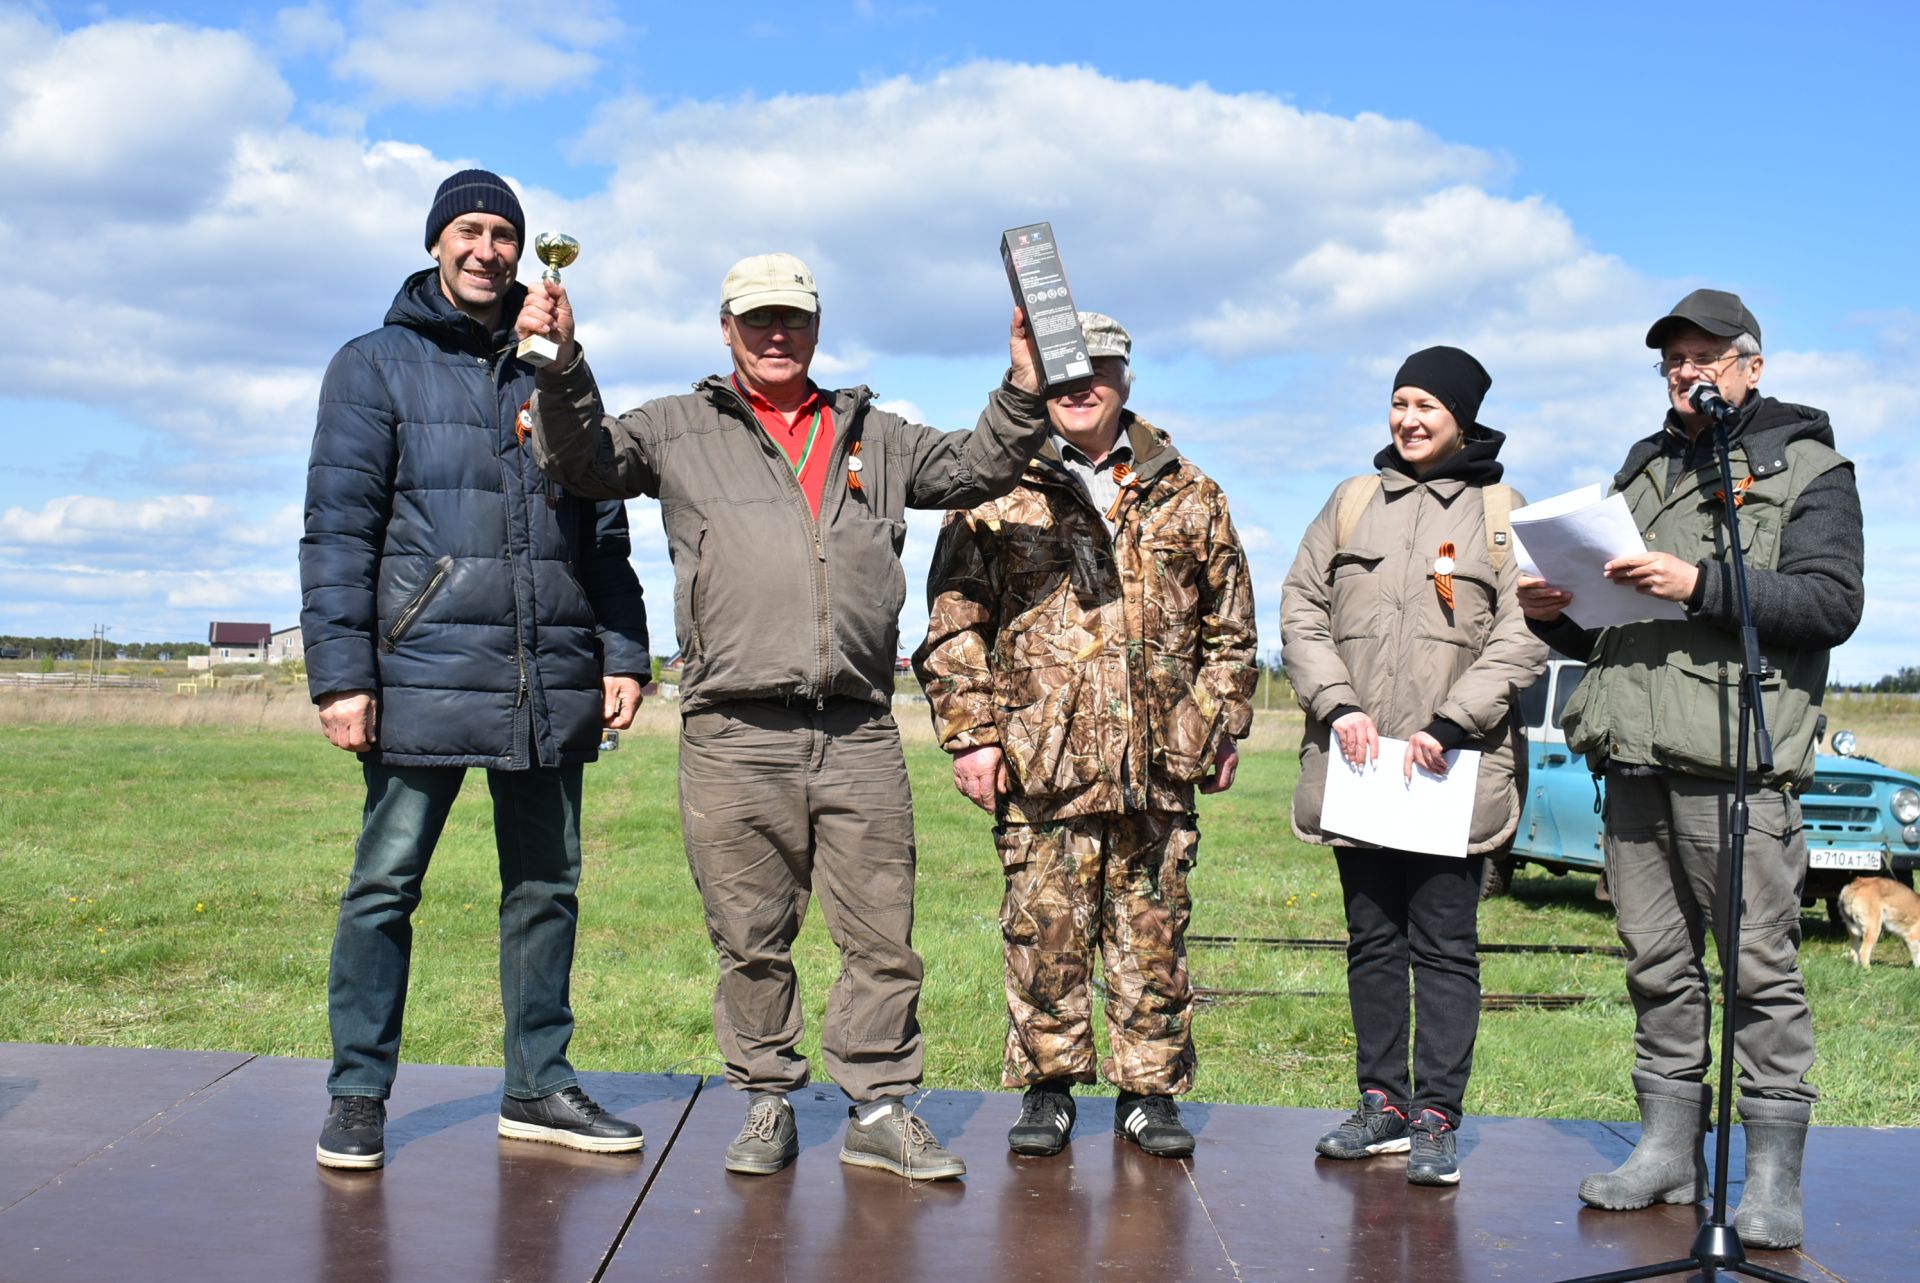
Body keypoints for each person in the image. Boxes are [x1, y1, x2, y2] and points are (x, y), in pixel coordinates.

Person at [519, 252, 1048, 1181]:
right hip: (732, 732)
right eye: (757, 319)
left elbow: (978, 466)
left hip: (856, 730)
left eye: (792, 320)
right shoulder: (680, 427)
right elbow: (582, 459)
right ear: (726, 329)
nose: (776, 335)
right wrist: (562, 365)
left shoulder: (874, 436)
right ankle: (767, 1099)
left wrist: (1023, 385)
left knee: (883, 934)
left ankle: (880, 1107)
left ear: (816, 327)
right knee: (750, 937)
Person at [299, 169, 651, 1170]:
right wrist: (340, 674)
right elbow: (338, 528)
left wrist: (622, 649)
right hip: (419, 670)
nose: (489, 248)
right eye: (471, 229)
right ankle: (358, 1091)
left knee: (546, 886)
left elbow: (605, 523)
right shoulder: (371, 364)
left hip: (546, 675)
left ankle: (539, 1085)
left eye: (504, 233)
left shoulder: (556, 370)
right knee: (384, 884)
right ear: (437, 243)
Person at [1519, 290, 1864, 1248]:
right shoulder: (1644, 469)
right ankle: (1668, 1149)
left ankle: (1771, 1181)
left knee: (1759, 969)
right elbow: (1608, 621)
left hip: (1737, 768)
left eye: (1706, 356)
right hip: (1632, 758)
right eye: (1673, 361)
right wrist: (1555, 609)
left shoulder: (1811, 469)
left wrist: (1702, 583)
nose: (1686, 373)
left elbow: (1831, 604)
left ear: (1753, 366)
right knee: (1656, 964)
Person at [915, 313, 1257, 1161]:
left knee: (1153, 930)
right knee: (1045, 930)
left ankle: (1148, 1092)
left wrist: (1211, 725)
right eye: (1063, 369)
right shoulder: (995, 489)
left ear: (1125, 378)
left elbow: (1232, 631)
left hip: (1156, 766)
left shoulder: (1191, 492)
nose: (1079, 384)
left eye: (1096, 368)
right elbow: (955, 626)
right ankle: (1048, 1087)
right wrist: (972, 737)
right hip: (1042, 761)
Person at [1281, 346, 1544, 1186]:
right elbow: (1299, 607)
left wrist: (1452, 720)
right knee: (1371, 940)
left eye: (1427, 404)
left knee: (1445, 945)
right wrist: (1340, 705)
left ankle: (1436, 1116)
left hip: (1450, 769)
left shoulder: (1502, 512)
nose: (1409, 419)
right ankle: (1382, 1106)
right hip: (1359, 764)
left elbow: (1526, 630)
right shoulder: (1353, 501)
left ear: (1461, 416)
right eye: (1399, 402)